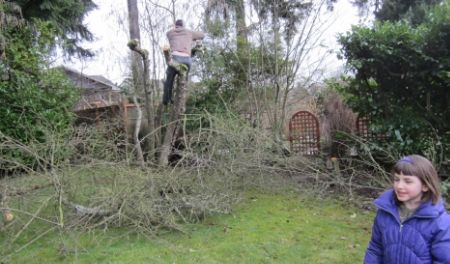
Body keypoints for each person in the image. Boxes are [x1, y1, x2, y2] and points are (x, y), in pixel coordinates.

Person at [364, 155, 450, 263]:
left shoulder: (440, 223)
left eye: (407, 181)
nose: (399, 186)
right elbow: (375, 249)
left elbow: (444, 260)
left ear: (425, 186)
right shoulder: (385, 213)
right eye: (396, 179)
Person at [163, 19, 204, 105]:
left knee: (169, 79)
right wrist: (192, 38)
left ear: (175, 25)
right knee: (184, 78)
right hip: (187, 60)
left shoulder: (169, 33)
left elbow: (171, 34)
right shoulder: (189, 32)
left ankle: (166, 100)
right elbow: (202, 35)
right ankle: (182, 97)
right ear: (183, 25)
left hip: (175, 58)